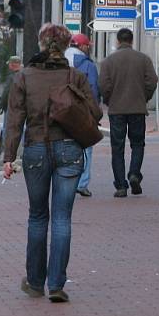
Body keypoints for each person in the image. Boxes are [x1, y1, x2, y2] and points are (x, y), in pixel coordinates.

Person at [3, 23, 102, 303]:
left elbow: (14, 122)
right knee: (62, 218)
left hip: (35, 150)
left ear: (42, 44)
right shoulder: (75, 76)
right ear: (67, 44)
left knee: (37, 217)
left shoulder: (24, 77)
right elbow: (94, 113)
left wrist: (9, 157)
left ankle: (35, 282)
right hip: (69, 150)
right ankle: (57, 284)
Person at [99, 28, 158, 198]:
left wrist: (110, 99)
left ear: (118, 41)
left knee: (117, 148)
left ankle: (120, 186)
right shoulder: (143, 59)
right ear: (132, 41)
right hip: (137, 108)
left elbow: (104, 84)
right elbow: (152, 81)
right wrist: (144, 97)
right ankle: (134, 173)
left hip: (117, 109)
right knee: (138, 144)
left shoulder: (108, 61)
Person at [65, 34, 100, 198]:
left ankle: (64, 181)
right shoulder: (88, 66)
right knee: (87, 147)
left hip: (61, 112)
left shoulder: (59, 63)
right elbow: (93, 90)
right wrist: (95, 114)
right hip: (83, 112)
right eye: (88, 46)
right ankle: (82, 183)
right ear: (83, 47)